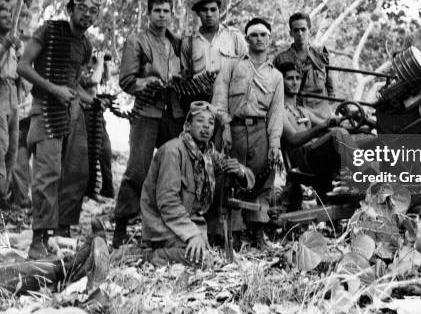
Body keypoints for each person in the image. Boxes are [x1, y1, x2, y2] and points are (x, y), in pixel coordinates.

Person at [17, 0, 100, 258]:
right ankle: (39, 238)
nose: (87, 15)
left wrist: (90, 99)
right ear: (71, 9)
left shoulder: (86, 45)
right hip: (45, 110)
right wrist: (54, 89)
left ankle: (62, 232)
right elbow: (24, 66)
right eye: (83, 9)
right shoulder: (49, 31)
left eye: (93, 11)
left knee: (73, 175)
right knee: (47, 176)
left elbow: (73, 82)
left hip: (70, 113)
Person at [141, 101, 254, 266]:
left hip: (184, 225)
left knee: (210, 258)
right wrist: (192, 234)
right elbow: (168, 203)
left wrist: (240, 171)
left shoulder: (207, 154)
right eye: (200, 121)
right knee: (203, 260)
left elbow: (247, 176)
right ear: (187, 126)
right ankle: (151, 255)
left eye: (211, 122)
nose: (206, 127)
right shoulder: (173, 151)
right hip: (161, 226)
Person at [113, 0, 185, 247]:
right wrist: (148, 83)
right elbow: (126, 80)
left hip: (173, 114)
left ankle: (166, 227)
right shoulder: (137, 41)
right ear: (149, 13)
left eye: (166, 11)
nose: (162, 15)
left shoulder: (177, 43)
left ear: (172, 13)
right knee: (138, 169)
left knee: (172, 170)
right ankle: (121, 225)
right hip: (146, 113)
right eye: (157, 11)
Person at [212, 17, 283, 247]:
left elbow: (275, 113)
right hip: (236, 128)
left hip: (261, 130)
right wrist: (224, 126)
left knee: (263, 179)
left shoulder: (276, 76)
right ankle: (232, 233)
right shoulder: (232, 65)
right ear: (247, 38)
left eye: (263, 35)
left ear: (269, 39)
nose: (259, 39)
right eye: (254, 35)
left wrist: (274, 145)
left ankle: (258, 231)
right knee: (231, 177)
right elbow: (220, 98)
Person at [279, 61, 352, 210]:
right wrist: (324, 126)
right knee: (337, 134)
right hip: (302, 159)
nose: (294, 82)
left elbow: (331, 125)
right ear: (281, 81)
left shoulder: (303, 110)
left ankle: (349, 181)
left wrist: (356, 122)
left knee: (348, 134)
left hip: (315, 156)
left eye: (297, 78)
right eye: (290, 78)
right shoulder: (280, 111)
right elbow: (293, 139)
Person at [180, 0, 247, 102]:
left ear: (219, 11)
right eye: (204, 10)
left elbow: (247, 70)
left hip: (230, 99)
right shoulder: (188, 43)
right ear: (198, 13)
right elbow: (185, 78)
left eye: (213, 9)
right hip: (200, 102)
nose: (209, 14)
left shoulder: (234, 36)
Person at [274, 12, 335, 117]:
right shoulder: (281, 59)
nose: (300, 33)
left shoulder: (320, 55)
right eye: (296, 30)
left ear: (309, 31)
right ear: (291, 33)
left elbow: (331, 89)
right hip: (296, 114)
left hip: (322, 113)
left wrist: (329, 108)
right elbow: (275, 90)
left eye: (303, 29)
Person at [80, 51, 114, 199]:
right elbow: (93, 81)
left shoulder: (95, 71)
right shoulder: (78, 72)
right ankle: (88, 189)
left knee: (105, 150)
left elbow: (104, 78)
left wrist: (104, 64)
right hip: (84, 115)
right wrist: (99, 62)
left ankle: (107, 189)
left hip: (97, 115)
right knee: (88, 154)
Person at [0, 0, 20, 209]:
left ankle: (4, 193)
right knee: (1, 144)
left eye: (9, 16)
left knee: (12, 147)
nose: (7, 20)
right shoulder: (5, 43)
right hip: (0, 92)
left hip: (12, 92)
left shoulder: (12, 43)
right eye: (3, 17)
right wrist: (5, 46)